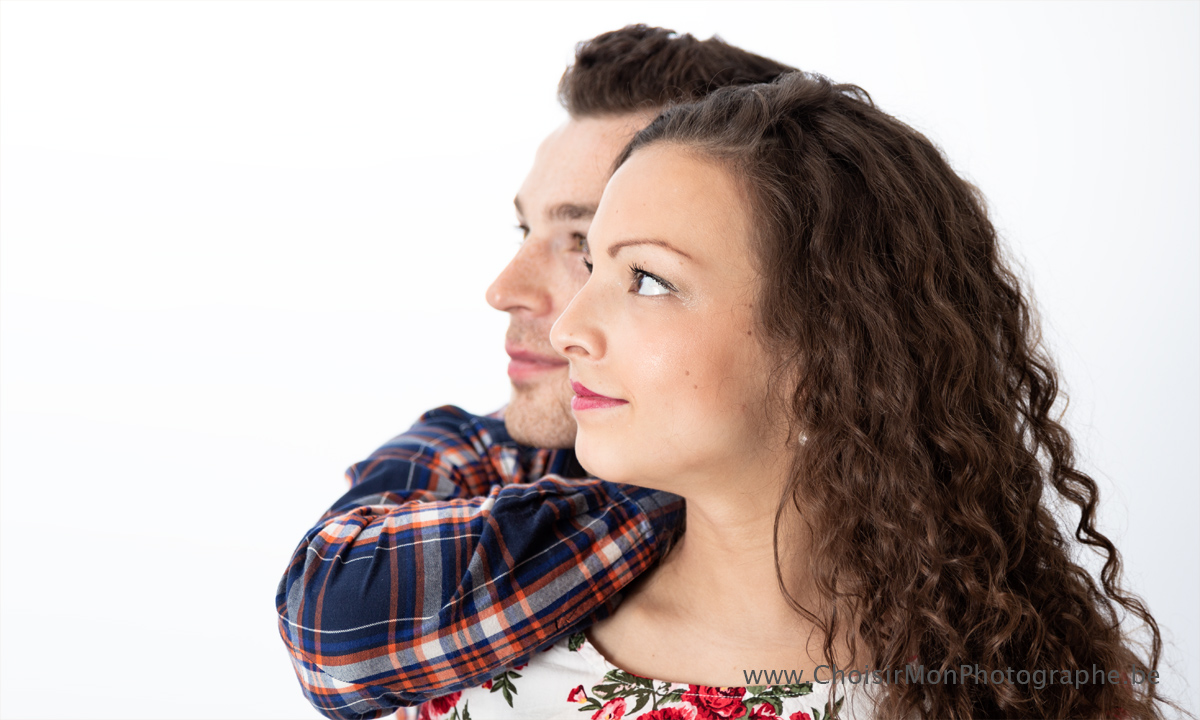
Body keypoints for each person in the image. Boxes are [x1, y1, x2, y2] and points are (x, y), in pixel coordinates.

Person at [415, 72, 1183, 719]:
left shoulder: (1029, 686)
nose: (570, 329)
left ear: (828, 343)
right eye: (594, 269)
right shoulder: (475, 673)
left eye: (647, 279)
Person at [276, 26, 796, 720]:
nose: (504, 288)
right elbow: (333, 620)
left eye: (586, 243)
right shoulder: (478, 456)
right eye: (528, 233)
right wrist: (695, 494)